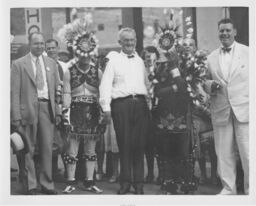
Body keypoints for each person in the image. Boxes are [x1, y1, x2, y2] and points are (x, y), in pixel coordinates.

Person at [99, 28, 150, 194]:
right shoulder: (113, 61)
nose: (129, 43)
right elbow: (105, 85)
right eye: (126, 40)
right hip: (121, 105)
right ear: (120, 42)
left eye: (132, 40)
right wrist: (106, 108)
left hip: (140, 104)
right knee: (125, 144)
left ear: (136, 41)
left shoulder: (140, 61)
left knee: (140, 145)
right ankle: (125, 182)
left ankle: (139, 183)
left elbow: (146, 83)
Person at [11, 32, 61, 195]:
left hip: (47, 108)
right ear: (30, 44)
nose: (40, 46)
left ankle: (47, 184)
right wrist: (16, 116)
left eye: (42, 44)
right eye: (36, 43)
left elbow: (56, 90)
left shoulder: (51, 63)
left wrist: (58, 111)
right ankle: (31, 185)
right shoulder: (18, 64)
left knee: (47, 148)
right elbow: (14, 93)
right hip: (28, 110)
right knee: (29, 149)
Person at [60, 17, 105, 194]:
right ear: (77, 52)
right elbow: (66, 93)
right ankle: (70, 180)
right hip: (75, 112)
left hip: (93, 113)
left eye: (88, 53)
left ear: (92, 52)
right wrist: (65, 115)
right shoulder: (69, 72)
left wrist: (102, 114)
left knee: (91, 150)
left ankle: (89, 181)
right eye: (81, 53)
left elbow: (102, 94)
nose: (84, 56)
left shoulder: (98, 72)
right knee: (72, 149)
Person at [204, 18, 249, 195]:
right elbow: (203, 80)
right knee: (223, 152)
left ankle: (250, 189)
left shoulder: (249, 53)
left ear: (235, 32)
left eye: (228, 30)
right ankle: (228, 188)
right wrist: (209, 86)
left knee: (248, 152)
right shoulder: (210, 57)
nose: (224, 33)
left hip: (244, 109)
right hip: (221, 108)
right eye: (221, 30)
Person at [45, 38, 68, 181]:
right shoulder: (43, 65)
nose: (51, 50)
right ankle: (52, 170)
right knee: (51, 138)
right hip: (50, 106)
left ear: (57, 48)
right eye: (48, 48)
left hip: (65, 105)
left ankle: (68, 170)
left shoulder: (65, 66)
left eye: (53, 48)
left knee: (66, 139)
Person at [140, 45, 160, 184]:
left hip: (159, 110)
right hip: (144, 109)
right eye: (147, 56)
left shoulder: (161, 70)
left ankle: (162, 173)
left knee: (159, 143)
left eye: (152, 56)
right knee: (147, 143)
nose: (149, 59)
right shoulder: (140, 71)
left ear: (157, 57)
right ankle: (150, 173)